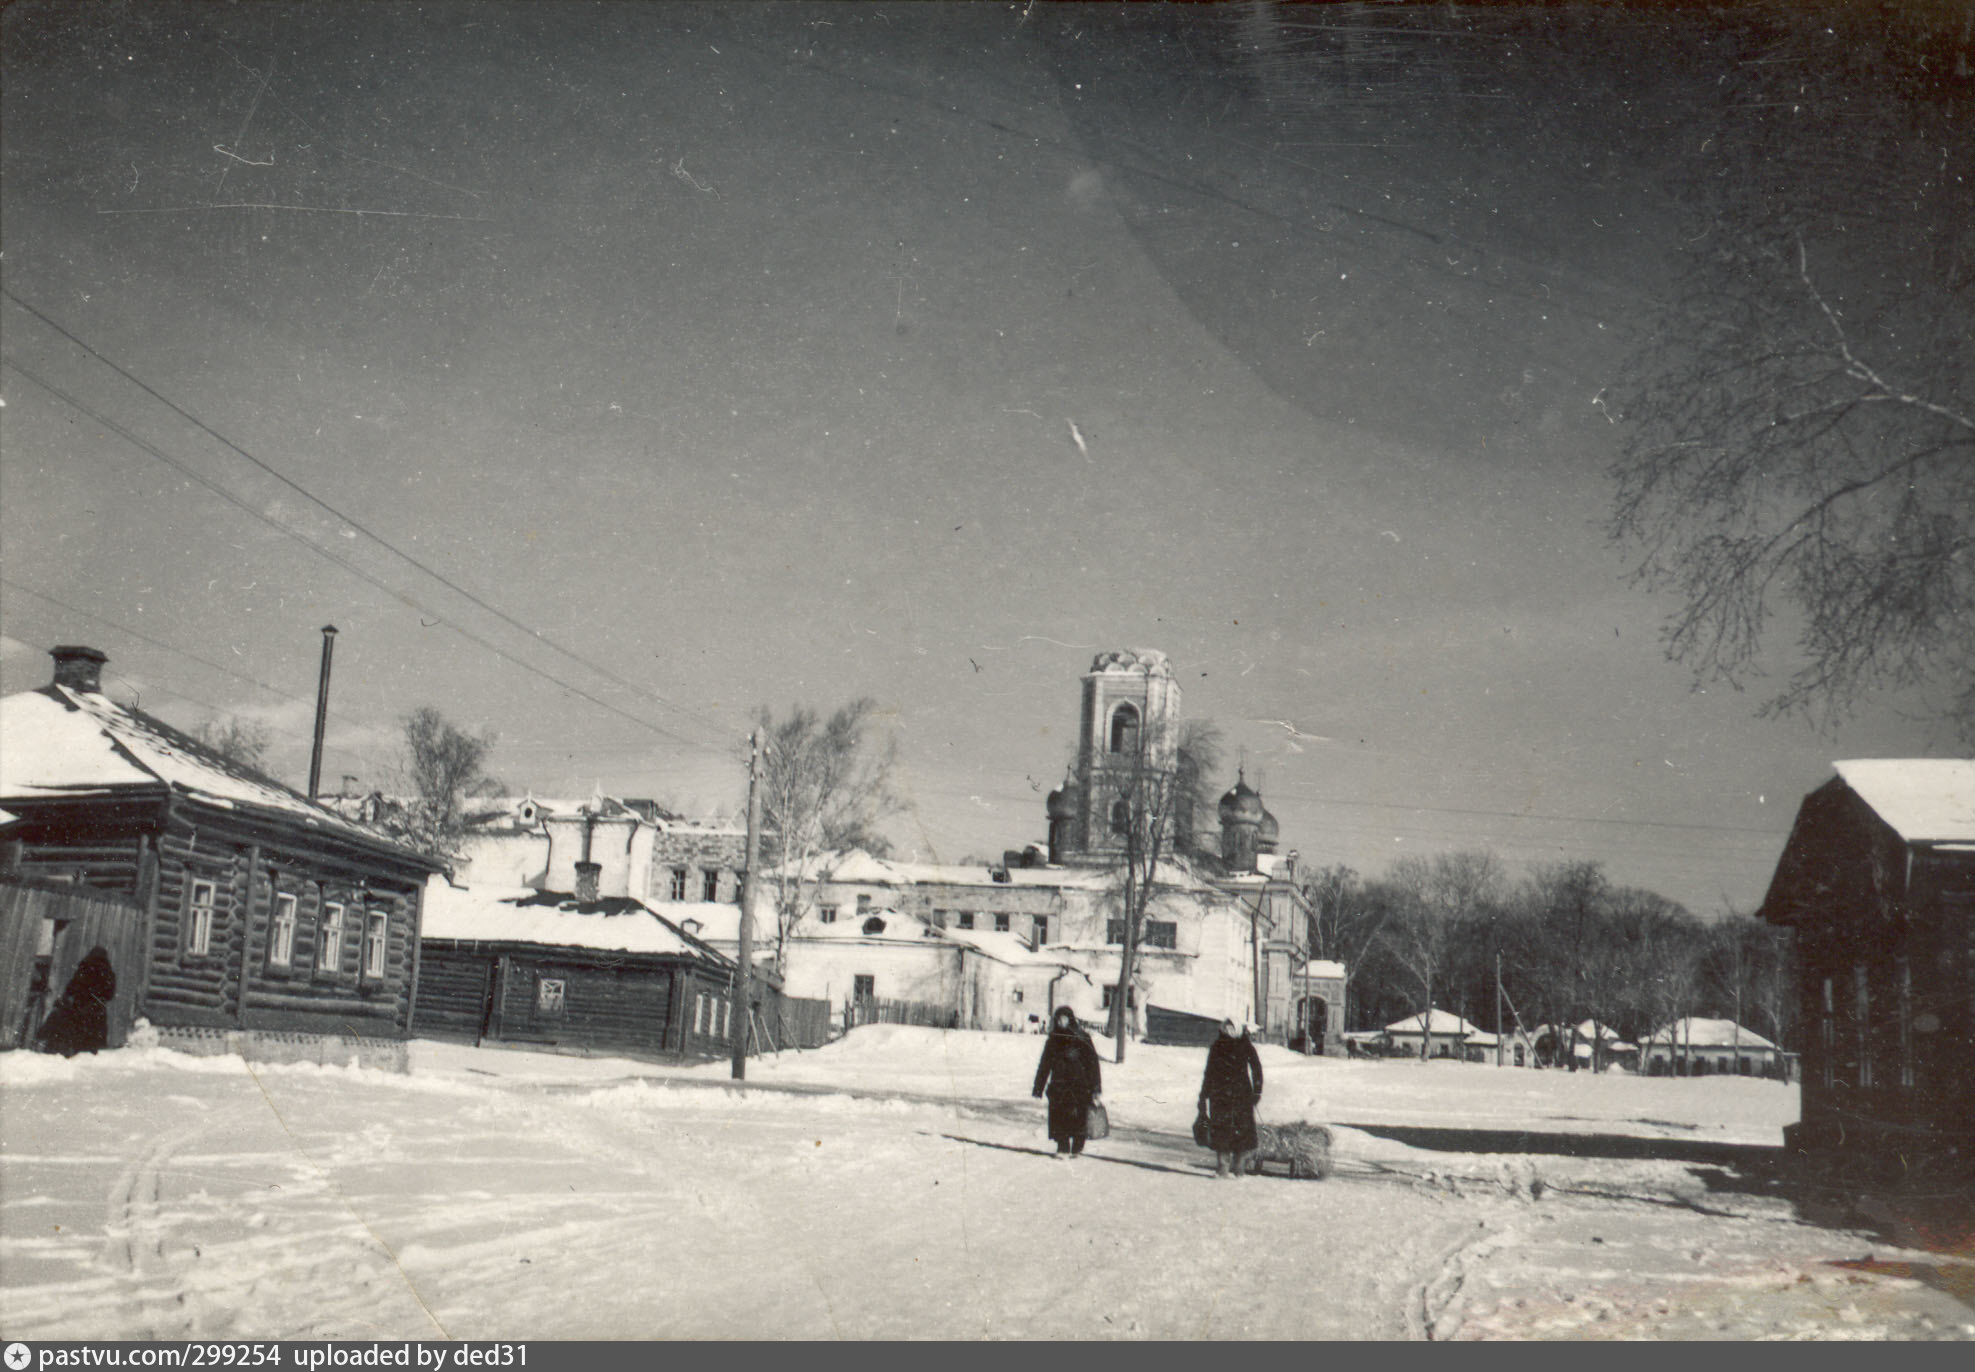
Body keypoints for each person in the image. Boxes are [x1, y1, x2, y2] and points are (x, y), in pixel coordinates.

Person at [1032, 1005, 1102, 1158]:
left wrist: (1095, 1087)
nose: (1061, 1022)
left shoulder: (1082, 1038)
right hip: (1059, 1086)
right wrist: (1038, 1086)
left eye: (1064, 1018)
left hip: (1079, 1086)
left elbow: (1093, 1064)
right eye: (1058, 1019)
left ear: (1070, 1019)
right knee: (1058, 1117)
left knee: (1078, 1117)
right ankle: (1062, 1146)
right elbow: (1045, 1064)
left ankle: (1077, 1146)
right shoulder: (1053, 1040)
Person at [1198, 1017, 1263, 1178]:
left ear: (1239, 1029)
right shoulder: (1217, 1046)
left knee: (1242, 1132)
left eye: (1232, 1028)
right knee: (1221, 1132)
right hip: (1220, 1095)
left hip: (1241, 1095)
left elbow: (1256, 1069)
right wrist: (1203, 1095)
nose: (1229, 1031)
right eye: (1226, 1028)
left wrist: (1257, 1091)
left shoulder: (1245, 1046)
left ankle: (1239, 1169)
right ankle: (1222, 1169)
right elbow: (1209, 1071)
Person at [35, 947, 117, 1058]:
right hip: (97, 1009)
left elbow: (74, 985)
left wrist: (68, 996)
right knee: (93, 1036)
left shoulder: (85, 967)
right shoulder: (108, 973)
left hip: (81, 1005)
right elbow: (110, 994)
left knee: (77, 1030)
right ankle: (90, 1054)